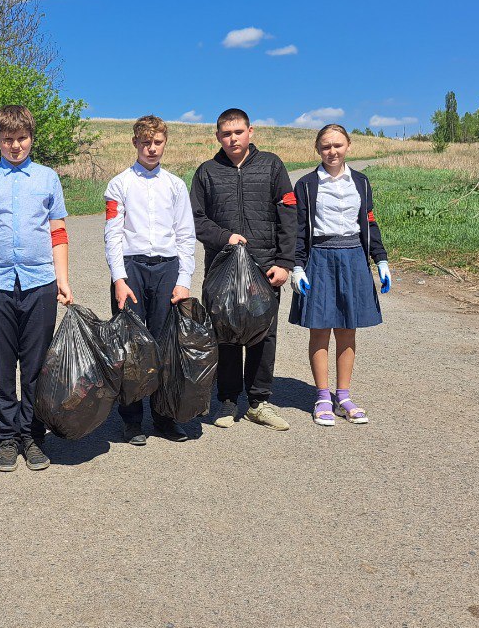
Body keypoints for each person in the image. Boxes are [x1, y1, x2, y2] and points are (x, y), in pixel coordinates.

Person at [0, 105, 74, 472]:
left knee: (36, 365)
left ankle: (32, 435)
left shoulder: (48, 178)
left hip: (39, 282)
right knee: (1, 365)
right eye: (8, 139)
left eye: (22, 138)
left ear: (31, 138)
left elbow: (58, 233)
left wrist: (63, 280)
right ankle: (6, 437)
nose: (16, 145)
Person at [190, 108, 296, 431]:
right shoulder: (207, 172)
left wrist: (285, 263)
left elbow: (289, 213)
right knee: (225, 333)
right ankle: (226, 399)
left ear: (251, 131)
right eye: (226, 133)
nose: (233, 138)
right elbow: (195, 219)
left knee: (264, 334)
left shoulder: (272, 166)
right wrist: (225, 237)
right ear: (217, 136)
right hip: (222, 270)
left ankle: (258, 401)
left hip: (264, 269)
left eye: (238, 132)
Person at [104, 115, 197, 445]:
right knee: (130, 344)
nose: (151, 148)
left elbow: (186, 234)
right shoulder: (119, 184)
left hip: (167, 268)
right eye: (145, 143)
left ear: (165, 143)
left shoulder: (175, 185)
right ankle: (131, 420)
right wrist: (119, 278)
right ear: (135, 143)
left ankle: (165, 416)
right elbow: (113, 234)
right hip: (132, 268)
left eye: (157, 142)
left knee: (165, 344)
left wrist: (183, 278)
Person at [289, 123, 390, 426]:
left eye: (337, 145)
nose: (332, 151)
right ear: (317, 150)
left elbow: (369, 222)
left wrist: (381, 260)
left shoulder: (361, 182)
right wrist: (296, 265)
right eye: (325, 146)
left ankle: (343, 396)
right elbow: (299, 228)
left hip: (354, 258)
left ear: (348, 146)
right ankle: (322, 396)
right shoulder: (306, 184)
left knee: (348, 328)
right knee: (319, 328)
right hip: (319, 258)